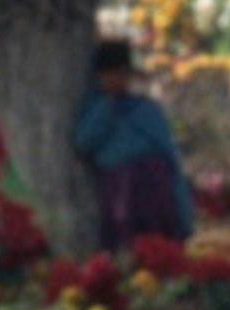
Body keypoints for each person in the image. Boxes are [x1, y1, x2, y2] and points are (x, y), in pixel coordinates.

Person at [74, 36, 194, 249]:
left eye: (121, 73)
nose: (116, 79)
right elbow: (83, 143)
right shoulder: (93, 107)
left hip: (155, 191)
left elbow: (170, 160)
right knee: (126, 253)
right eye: (109, 74)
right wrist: (107, 105)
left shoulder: (146, 110)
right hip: (120, 192)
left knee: (160, 252)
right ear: (99, 76)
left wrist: (184, 215)